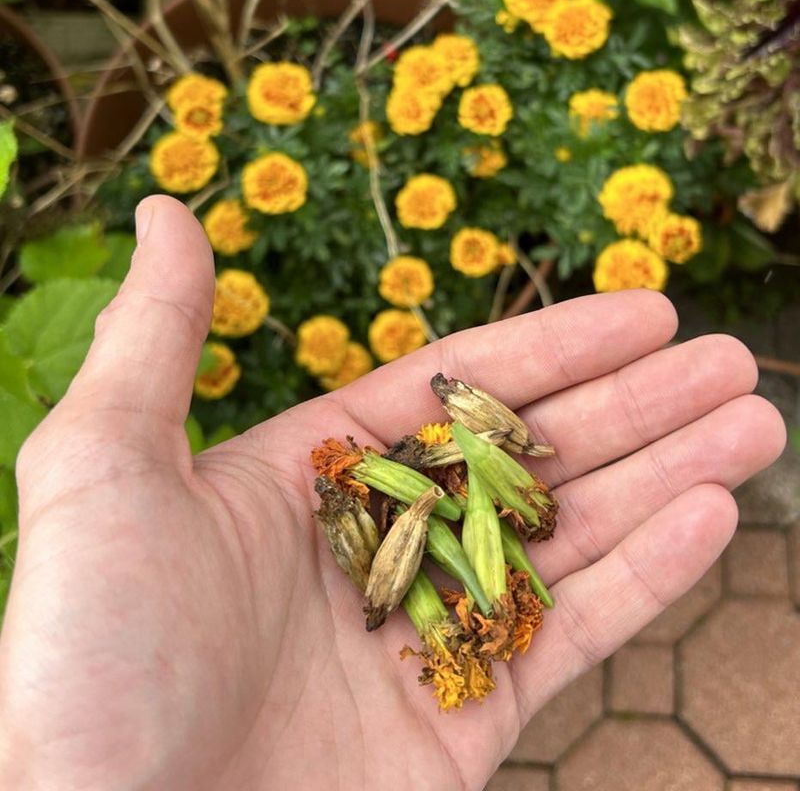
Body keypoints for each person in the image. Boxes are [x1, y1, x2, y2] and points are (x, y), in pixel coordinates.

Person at [0, 196, 785, 790]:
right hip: (415, 514)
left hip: (432, 506)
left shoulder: (455, 493)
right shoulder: (413, 506)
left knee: (474, 531)